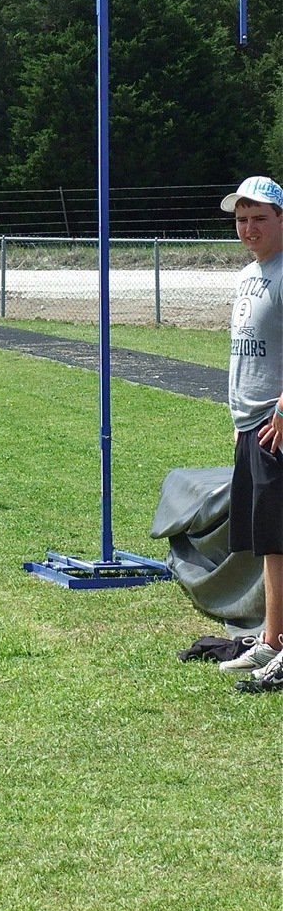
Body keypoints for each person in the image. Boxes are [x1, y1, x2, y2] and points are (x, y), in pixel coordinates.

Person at [212, 176, 283, 694]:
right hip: (248, 423)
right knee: (266, 541)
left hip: (274, 426)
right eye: (242, 218)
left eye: (260, 217)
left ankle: (277, 646)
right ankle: (270, 638)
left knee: (280, 540)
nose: (249, 227)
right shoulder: (248, 276)